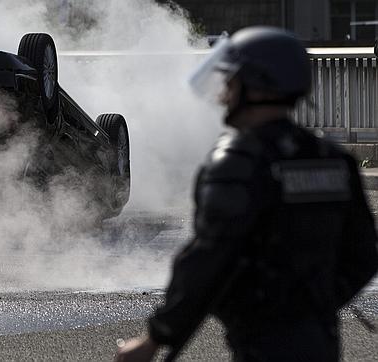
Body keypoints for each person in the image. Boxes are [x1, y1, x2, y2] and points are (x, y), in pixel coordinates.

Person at [115, 26, 378, 361]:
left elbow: (206, 260)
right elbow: (363, 255)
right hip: (320, 341)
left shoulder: (239, 161)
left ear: (257, 86)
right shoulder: (333, 159)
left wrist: (154, 338)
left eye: (231, 81)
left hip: (261, 346)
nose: (224, 92)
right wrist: (314, 303)